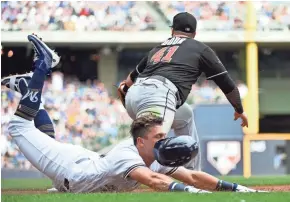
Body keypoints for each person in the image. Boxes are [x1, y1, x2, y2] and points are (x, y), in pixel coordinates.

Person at [3, 34, 264, 194]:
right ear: (141, 141)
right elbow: (153, 180)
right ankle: (42, 67)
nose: (165, 138)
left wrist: (237, 188)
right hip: (69, 171)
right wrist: (195, 194)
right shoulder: (127, 155)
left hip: (83, 160)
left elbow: (194, 176)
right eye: (159, 135)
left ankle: (28, 87)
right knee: (18, 127)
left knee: (47, 140)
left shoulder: (154, 153)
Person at [119, 12, 248, 170]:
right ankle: (111, 174)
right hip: (159, 95)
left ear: (172, 30)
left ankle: (193, 174)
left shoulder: (157, 49)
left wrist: (129, 98)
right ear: (194, 33)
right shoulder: (200, 48)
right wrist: (239, 109)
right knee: (152, 145)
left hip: (135, 95)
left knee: (185, 115)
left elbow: (128, 82)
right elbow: (226, 83)